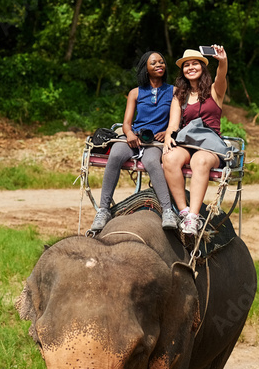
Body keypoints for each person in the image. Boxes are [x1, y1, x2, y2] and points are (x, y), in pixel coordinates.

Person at [90, 51, 178, 231]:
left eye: (161, 62)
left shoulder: (174, 91)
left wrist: (166, 131)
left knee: (152, 161)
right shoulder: (135, 93)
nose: (159, 65)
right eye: (154, 63)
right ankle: (104, 210)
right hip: (134, 136)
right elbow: (126, 123)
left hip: (155, 140)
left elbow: (178, 120)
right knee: (115, 155)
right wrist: (129, 134)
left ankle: (168, 210)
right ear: (145, 68)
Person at [162, 45, 228, 235]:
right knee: (170, 158)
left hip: (210, 145)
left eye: (195, 64)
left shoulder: (215, 91)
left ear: (202, 67)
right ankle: (183, 211)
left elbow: (221, 75)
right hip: (188, 142)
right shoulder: (179, 95)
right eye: (186, 65)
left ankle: (193, 216)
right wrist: (168, 137)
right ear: (182, 70)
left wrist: (222, 60)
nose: (190, 67)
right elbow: (173, 125)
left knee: (199, 160)